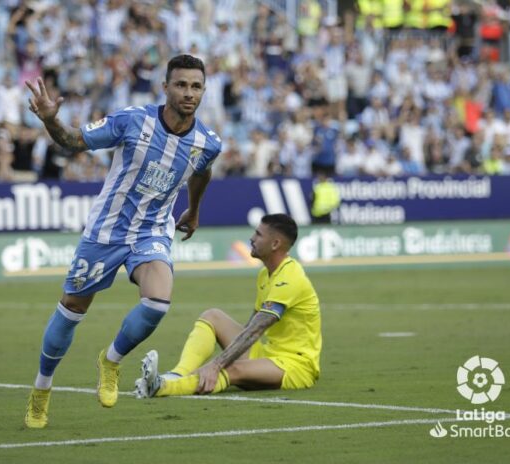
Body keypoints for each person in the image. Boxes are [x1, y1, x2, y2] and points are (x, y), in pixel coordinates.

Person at [23, 54, 221, 428]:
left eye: (196, 86)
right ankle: (41, 391)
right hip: (106, 231)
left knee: (158, 302)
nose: (188, 93)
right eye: (180, 85)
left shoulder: (207, 142)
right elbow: (74, 141)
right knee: (71, 311)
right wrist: (51, 120)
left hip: (151, 232)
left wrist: (193, 210)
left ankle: (110, 361)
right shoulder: (132, 121)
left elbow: (203, 173)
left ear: (204, 90)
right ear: (165, 87)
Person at [135, 214, 322, 398]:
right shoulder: (265, 275)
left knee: (231, 368)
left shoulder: (290, 278)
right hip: (268, 354)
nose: (252, 238)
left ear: (275, 244)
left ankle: (162, 387)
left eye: (258, 234)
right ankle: (177, 374)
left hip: (295, 366)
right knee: (213, 316)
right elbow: (249, 329)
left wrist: (217, 364)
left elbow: (256, 330)